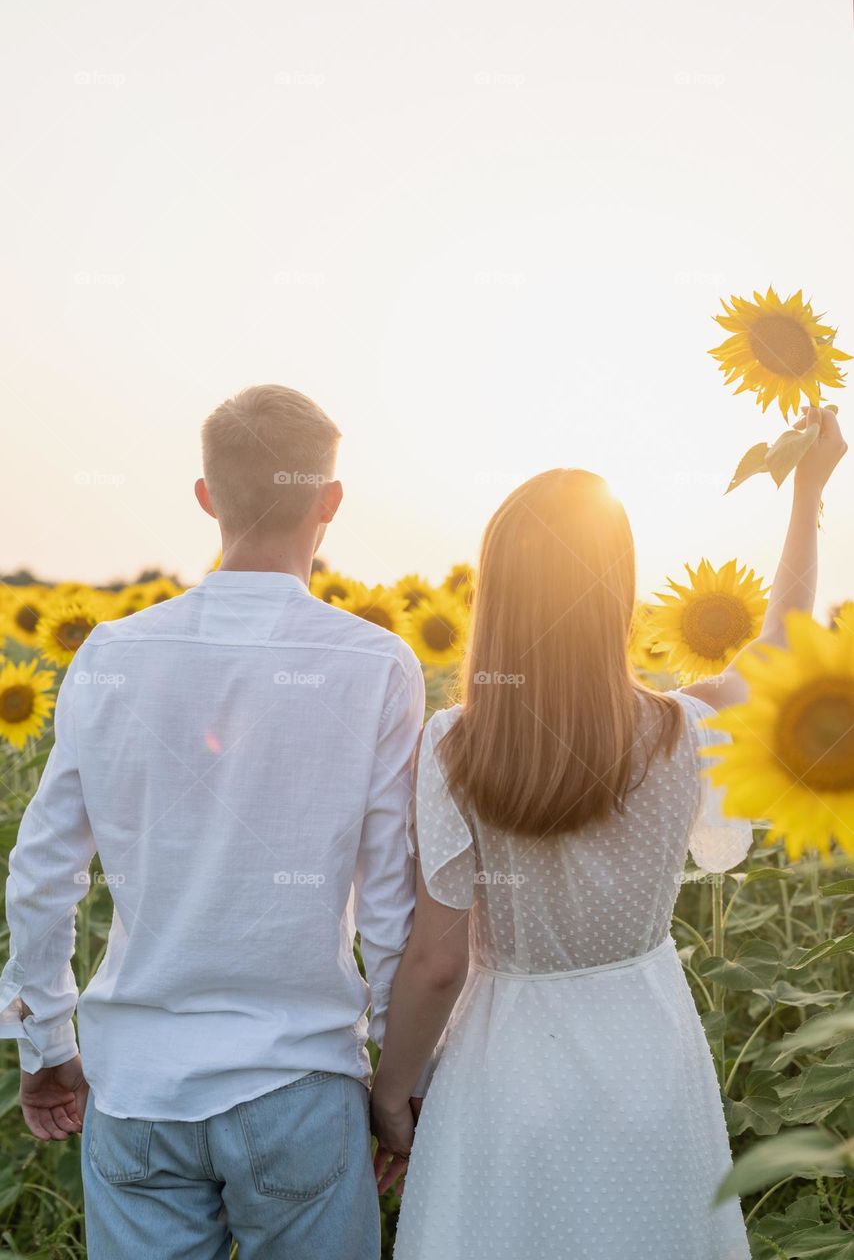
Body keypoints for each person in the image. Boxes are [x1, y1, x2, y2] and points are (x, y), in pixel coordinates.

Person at [371, 406, 847, 1260]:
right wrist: (807, 493)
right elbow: (782, 642)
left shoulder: (457, 742)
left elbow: (439, 962)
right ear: (618, 587)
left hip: (503, 1065)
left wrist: (391, 1093)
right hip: (649, 1051)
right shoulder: (679, 731)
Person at [0, 385, 425, 1260]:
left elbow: (42, 871)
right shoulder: (375, 664)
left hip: (138, 1089)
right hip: (301, 1084)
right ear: (329, 502)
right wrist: (400, 1081)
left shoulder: (111, 655)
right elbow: (389, 904)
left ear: (205, 495)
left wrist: (44, 1038)